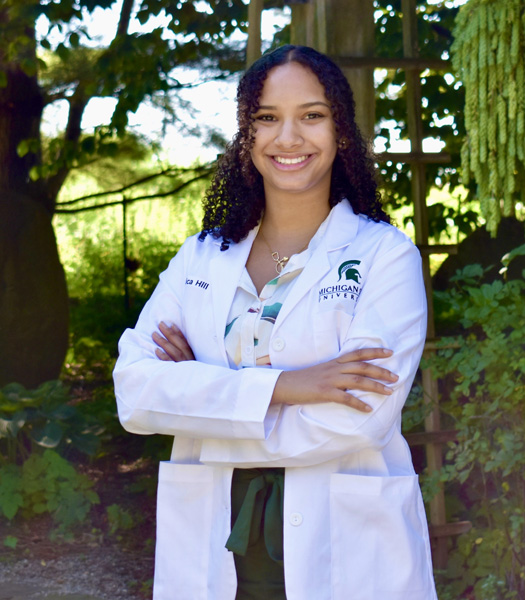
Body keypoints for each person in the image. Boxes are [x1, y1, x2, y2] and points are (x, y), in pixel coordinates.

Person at [113, 44, 437, 600]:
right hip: (215, 540)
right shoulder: (200, 258)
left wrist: (200, 404)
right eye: (267, 118)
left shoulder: (386, 257)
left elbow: (361, 420)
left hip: (347, 548)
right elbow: (135, 393)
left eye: (312, 116)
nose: (288, 137)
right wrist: (291, 387)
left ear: (341, 133)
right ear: (247, 134)